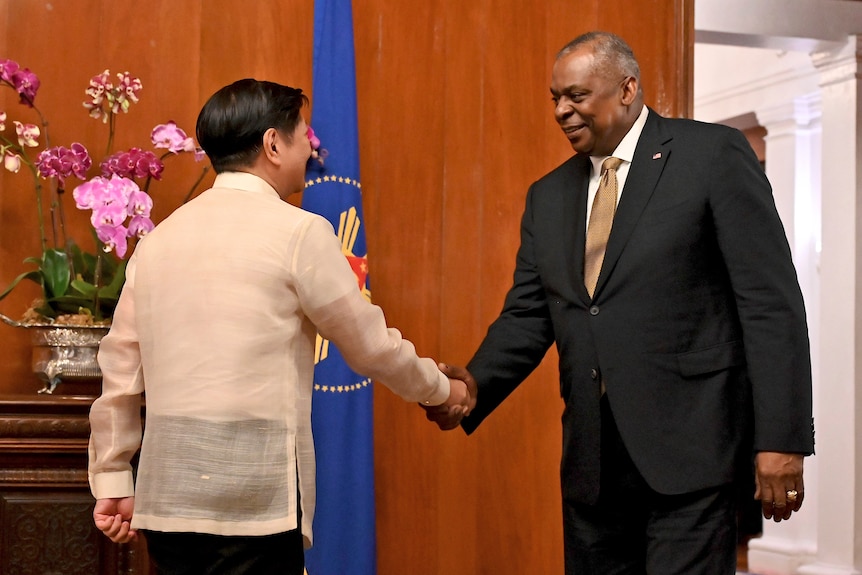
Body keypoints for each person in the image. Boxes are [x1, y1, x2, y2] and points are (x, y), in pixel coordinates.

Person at [425, 31, 814, 574]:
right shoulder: (548, 196)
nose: (562, 110)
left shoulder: (711, 156)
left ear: (627, 89)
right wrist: (473, 385)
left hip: (694, 459)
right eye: (555, 98)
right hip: (594, 471)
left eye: (577, 96)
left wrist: (782, 438)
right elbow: (528, 315)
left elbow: (771, 304)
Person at [88, 78, 471, 575]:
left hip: (168, 500)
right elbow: (371, 347)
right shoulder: (300, 232)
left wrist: (114, 475)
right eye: (303, 137)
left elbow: (120, 368)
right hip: (255, 504)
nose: (310, 151)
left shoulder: (158, 240)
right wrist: (441, 390)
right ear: (273, 143)